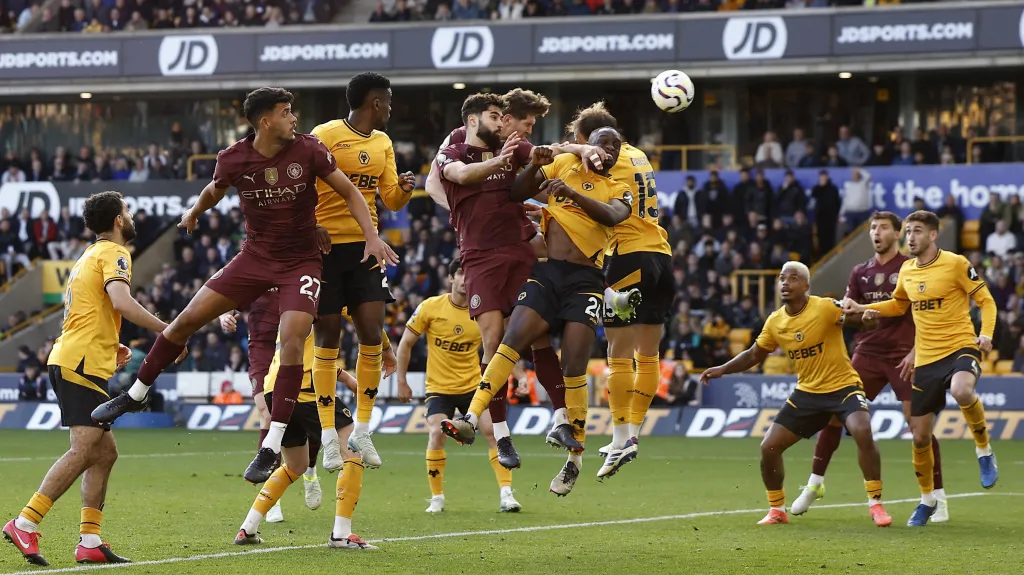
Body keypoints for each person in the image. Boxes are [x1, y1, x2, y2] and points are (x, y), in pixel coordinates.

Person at [90, 87, 399, 487]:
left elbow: (350, 191)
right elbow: (213, 191)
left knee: (291, 340)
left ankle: (270, 445)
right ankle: (134, 394)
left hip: (300, 263)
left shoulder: (309, 150)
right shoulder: (234, 157)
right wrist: (194, 212)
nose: (294, 118)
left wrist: (371, 236)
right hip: (253, 259)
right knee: (185, 321)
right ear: (265, 120)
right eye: (287, 112)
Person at [442, 126, 633, 497]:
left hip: (586, 279)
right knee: (511, 339)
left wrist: (571, 194)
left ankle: (575, 459)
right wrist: (533, 166)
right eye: (601, 143)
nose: (607, 150)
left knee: (574, 363)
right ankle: (469, 416)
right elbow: (517, 191)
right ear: (587, 147)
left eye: (614, 145)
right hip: (548, 272)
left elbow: (612, 217)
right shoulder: (563, 163)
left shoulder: (620, 186)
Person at [3, 192, 172, 566]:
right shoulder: (115, 252)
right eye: (126, 211)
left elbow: (89, 311)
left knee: (104, 452)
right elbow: (122, 302)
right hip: (78, 363)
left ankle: (90, 541)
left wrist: (112, 346)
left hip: (79, 359)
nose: (130, 216)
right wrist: (170, 331)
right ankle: (25, 523)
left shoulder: (87, 256)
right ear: (116, 221)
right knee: (84, 448)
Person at [429, 91, 592, 470]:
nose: (502, 123)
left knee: (538, 337)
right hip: (480, 258)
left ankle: (561, 421)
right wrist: (491, 170)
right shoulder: (454, 148)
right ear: (473, 120)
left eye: (503, 116)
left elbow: (546, 154)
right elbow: (456, 176)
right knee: (492, 341)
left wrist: (578, 150)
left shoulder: (512, 147)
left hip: (518, 249)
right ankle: (502, 437)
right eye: (494, 116)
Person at [701, 261, 892, 527]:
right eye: (781, 278)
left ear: (805, 285)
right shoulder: (776, 321)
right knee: (768, 447)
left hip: (843, 386)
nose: (784, 283)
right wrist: (723, 369)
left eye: (792, 278)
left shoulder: (824, 307)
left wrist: (869, 320)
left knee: (862, 430)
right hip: (808, 392)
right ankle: (777, 509)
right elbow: (754, 354)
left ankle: (876, 504)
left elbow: (858, 320)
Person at [843, 210, 999, 526]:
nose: (910, 237)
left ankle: (984, 451)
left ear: (932, 235)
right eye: (908, 231)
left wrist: (985, 334)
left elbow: (987, 301)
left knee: (961, 389)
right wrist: (865, 308)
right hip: (926, 359)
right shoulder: (908, 271)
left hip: (959, 347)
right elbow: (898, 305)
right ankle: (927, 500)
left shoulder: (956, 264)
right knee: (919, 437)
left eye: (916, 231)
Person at [791, 211, 948, 522]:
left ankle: (936, 498)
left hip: (906, 354)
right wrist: (858, 316)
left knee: (920, 429)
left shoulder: (910, 267)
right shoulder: (860, 272)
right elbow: (848, 315)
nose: (877, 233)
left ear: (896, 233)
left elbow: (926, 314)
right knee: (834, 416)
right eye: (873, 228)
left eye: (884, 228)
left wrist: (918, 350)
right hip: (868, 353)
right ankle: (814, 484)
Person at [308, 73, 415, 470]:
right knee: (329, 338)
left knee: (371, 331)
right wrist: (310, 224)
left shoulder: (383, 143)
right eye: (387, 100)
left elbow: (391, 201)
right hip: (324, 249)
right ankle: (328, 438)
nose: (390, 108)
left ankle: (363, 429)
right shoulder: (326, 133)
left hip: (366, 247)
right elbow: (303, 183)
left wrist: (403, 187)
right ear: (374, 101)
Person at [563, 102, 671, 479]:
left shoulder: (601, 159)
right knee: (650, 354)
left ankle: (621, 436)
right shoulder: (638, 154)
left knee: (618, 355)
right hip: (661, 256)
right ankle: (633, 433)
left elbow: (579, 185)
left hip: (628, 260)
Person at [233, 324, 378, 550]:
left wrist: (345, 377)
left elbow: (307, 351)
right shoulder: (314, 303)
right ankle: (341, 534)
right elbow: (317, 357)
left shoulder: (295, 303)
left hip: (276, 389)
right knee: (354, 450)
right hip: (306, 389)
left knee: (295, 465)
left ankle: (248, 527)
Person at [395, 259, 521, 513]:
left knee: (492, 431)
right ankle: (437, 497)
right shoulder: (430, 307)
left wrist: (519, 372)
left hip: (474, 387)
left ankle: (506, 494)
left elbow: (500, 347)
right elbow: (406, 343)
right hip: (439, 389)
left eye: (470, 274)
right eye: (461, 274)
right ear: (451, 278)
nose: (465, 279)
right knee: (436, 434)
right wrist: (402, 381)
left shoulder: (484, 312)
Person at [220, 289, 322, 524]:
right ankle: (272, 497)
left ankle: (310, 471)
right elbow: (227, 295)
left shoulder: (301, 272)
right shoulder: (258, 267)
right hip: (262, 349)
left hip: (294, 346)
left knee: (305, 411)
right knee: (268, 413)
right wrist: (224, 315)